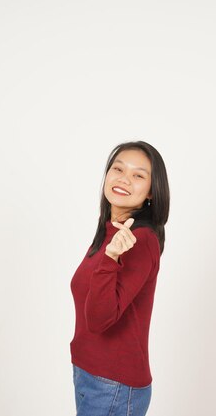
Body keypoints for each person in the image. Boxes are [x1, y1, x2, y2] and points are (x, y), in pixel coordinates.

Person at [69, 140, 170, 416]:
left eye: (138, 175)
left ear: (151, 192)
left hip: (113, 384)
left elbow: (101, 318)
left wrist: (111, 258)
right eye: (118, 169)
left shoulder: (141, 240)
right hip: (89, 374)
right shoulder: (109, 232)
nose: (124, 179)